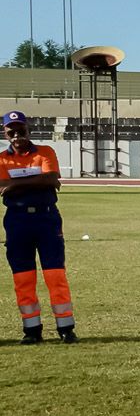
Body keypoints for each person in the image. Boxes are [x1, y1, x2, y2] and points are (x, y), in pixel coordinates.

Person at [0, 110, 76, 344]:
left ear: (28, 129)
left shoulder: (45, 152)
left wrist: (15, 185)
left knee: (55, 275)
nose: (16, 134)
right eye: (11, 131)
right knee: (23, 277)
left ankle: (66, 328)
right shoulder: (2, 159)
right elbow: (2, 186)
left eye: (20, 129)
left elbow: (51, 179)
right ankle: (31, 330)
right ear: (5, 132)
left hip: (47, 219)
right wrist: (35, 181)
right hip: (17, 220)